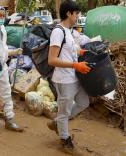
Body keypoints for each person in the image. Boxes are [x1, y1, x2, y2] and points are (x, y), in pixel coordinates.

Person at [47, 0, 90, 153]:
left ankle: (57, 122)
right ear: (68, 13)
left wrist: (79, 52)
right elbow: (52, 60)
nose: (78, 16)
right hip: (64, 79)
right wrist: (75, 65)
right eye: (76, 13)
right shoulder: (58, 32)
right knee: (64, 112)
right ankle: (65, 140)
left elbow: (68, 50)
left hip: (74, 77)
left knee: (83, 102)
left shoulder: (68, 31)